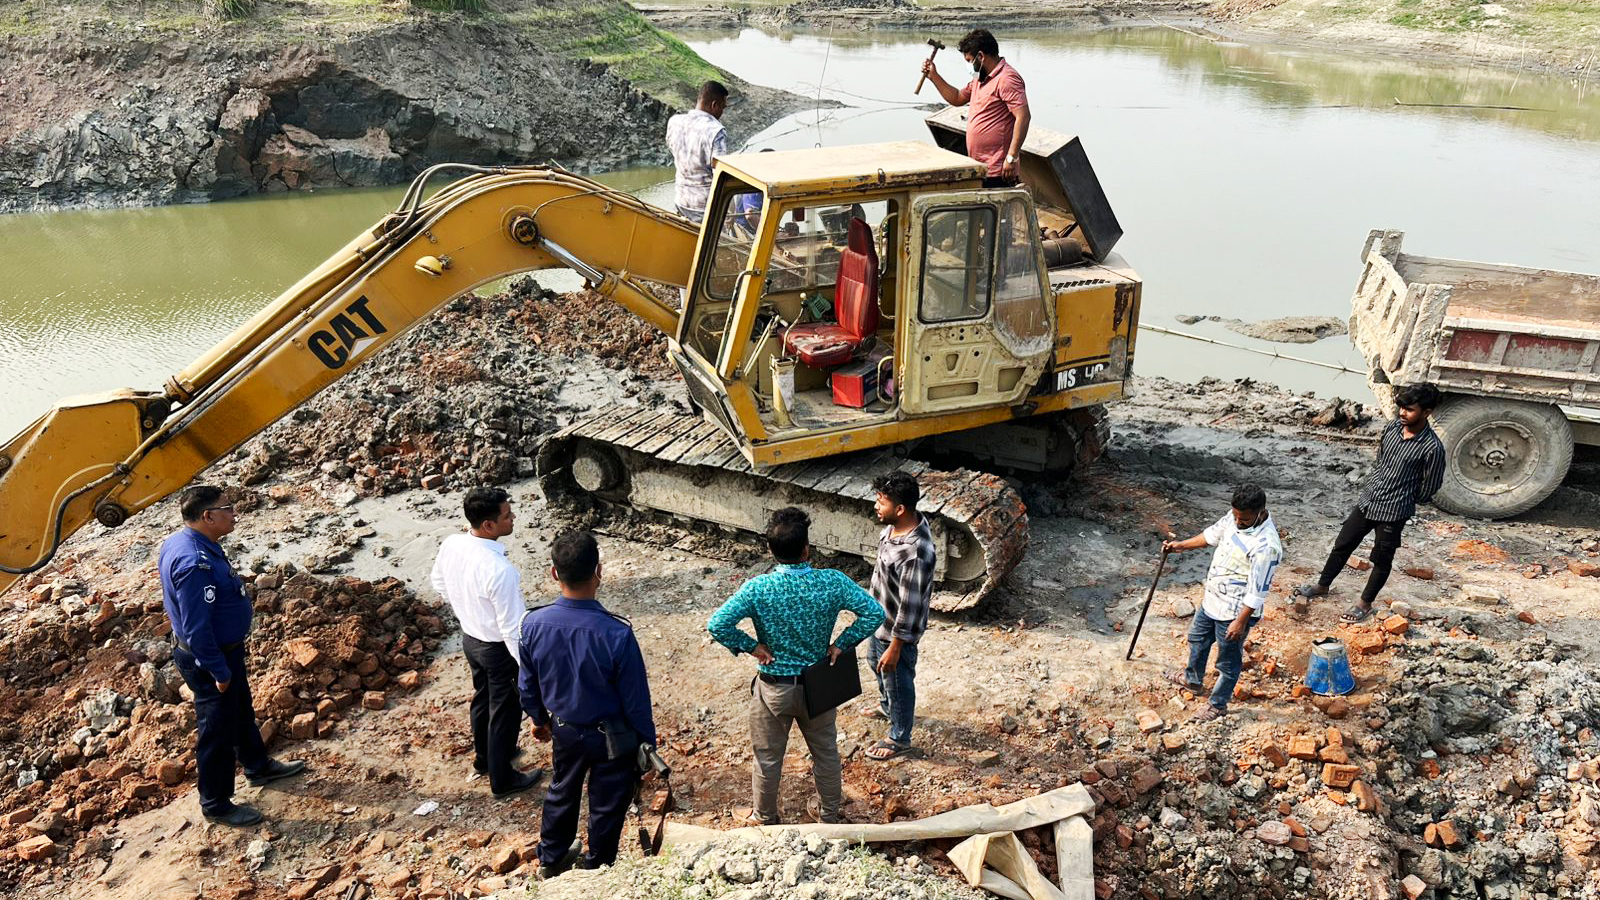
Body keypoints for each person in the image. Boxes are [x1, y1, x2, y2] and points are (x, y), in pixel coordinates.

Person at [707, 507, 885, 825]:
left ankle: (765, 817)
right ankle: (829, 816)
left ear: (771, 550)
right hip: (820, 685)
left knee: (768, 758)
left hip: (774, 690)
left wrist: (752, 647)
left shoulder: (758, 588)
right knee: (826, 754)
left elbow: (717, 624)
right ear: (806, 549)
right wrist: (841, 644)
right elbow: (874, 613)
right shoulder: (832, 582)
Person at [159, 485, 304, 827]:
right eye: (228, 508)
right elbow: (197, 628)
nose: (234, 513)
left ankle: (258, 766)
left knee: (239, 710)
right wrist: (219, 671)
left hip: (224, 652)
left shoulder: (184, 542)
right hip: (209, 659)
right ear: (207, 516)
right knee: (217, 731)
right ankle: (216, 804)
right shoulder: (194, 564)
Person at [518, 531, 656, 877]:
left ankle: (551, 858)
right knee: (607, 803)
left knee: (561, 791)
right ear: (599, 572)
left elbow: (527, 682)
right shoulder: (617, 633)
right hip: (612, 738)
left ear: (554, 573)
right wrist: (647, 745)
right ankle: (598, 866)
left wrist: (538, 718)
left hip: (564, 729)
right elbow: (636, 701)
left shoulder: (532, 624)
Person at [1295, 383, 1446, 624]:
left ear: (1427, 412)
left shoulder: (1432, 448)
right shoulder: (1392, 428)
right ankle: (1322, 586)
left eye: (1409, 410)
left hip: (1393, 512)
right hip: (1368, 501)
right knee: (1342, 544)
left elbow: (1431, 486)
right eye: (1401, 408)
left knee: (1381, 560)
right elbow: (1380, 461)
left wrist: (1405, 498)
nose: (1402, 413)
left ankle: (1364, 604)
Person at [430, 486, 544, 797]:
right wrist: (526, 666)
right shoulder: (500, 571)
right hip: (498, 649)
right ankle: (502, 779)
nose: (514, 517)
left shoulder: (452, 544)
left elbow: (438, 582)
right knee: (505, 712)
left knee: (482, 700)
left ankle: (485, 758)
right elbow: (511, 628)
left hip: (471, 639)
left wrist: (466, 607)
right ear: (489, 525)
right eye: (507, 515)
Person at [1162, 483, 1283, 722]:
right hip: (1213, 600)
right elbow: (1211, 536)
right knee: (1197, 639)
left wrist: (1240, 622)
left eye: (1244, 520)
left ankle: (1218, 704)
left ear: (1260, 512)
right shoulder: (1234, 516)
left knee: (1227, 662)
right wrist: (1180, 546)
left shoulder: (1267, 546)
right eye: (1236, 516)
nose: (1238, 522)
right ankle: (1193, 680)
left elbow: (1258, 591)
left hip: (1235, 611)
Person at [861, 471, 936, 761]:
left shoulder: (915, 553)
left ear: (901, 508)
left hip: (895, 632)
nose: (876, 506)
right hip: (880, 621)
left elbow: (911, 606)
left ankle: (899, 737)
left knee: (898, 682)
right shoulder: (895, 528)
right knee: (875, 664)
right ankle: (887, 707)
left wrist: (896, 647)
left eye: (881, 502)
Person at [920, 28, 1030, 187]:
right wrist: (934, 76)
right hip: (979, 166)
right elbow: (957, 97)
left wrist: (1011, 157)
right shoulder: (980, 79)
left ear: (981, 56)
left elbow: (1023, 116)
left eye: (969, 60)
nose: (968, 65)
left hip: (998, 169)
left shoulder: (1007, 79)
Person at [666, 80, 730, 223]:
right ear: (714, 105)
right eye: (722, 107)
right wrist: (730, 210)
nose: (722, 112)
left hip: (681, 201)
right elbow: (720, 174)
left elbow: (673, 151)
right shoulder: (716, 130)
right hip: (705, 208)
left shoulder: (674, 122)